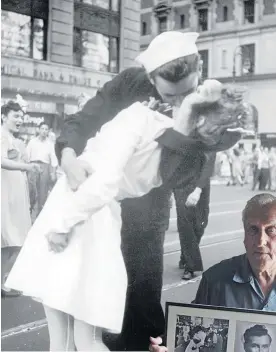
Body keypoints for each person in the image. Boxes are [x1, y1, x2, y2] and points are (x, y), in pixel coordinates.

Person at [6, 77, 249, 351]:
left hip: (80, 210)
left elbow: (104, 180)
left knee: (73, 340)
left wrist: (64, 223)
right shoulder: (178, 154)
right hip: (98, 216)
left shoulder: (142, 119)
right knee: (79, 338)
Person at [54, 31, 247, 351]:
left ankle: (144, 340)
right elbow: (87, 117)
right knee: (94, 277)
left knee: (143, 276)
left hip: (152, 194)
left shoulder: (204, 100)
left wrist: (206, 130)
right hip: (108, 189)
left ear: (198, 71)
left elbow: (194, 161)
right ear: (150, 77)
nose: (177, 102)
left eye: (185, 93)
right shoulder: (129, 82)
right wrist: (68, 153)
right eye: (170, 95)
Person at [150, 193, 276, 352]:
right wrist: (166, 343)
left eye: (271, 230)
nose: (260, 241)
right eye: (253, 230)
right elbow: (185, 327)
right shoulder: (215, 280)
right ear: (244, 236)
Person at [1, 101, 39, 294]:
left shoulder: (11, 138)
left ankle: (3, 280)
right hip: (5, 193)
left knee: (12, 239)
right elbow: (1, 161)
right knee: (9, 237)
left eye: (21, 117)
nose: (19, 120)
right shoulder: (2, 136)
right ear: (3, 117)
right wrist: (26, 167)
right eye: (15, 116)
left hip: (13, 193)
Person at [175, 155, 215, 279]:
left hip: (201, 185)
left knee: (200, 224)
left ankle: (185, 255)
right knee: (185, 223)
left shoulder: (210, 137)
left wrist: (197, 190)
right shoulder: (180, 138)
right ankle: (190, 266)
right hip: (181, 184)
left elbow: (208, 165)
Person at [26, 122, 58, 218]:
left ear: (48, 131)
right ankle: (29, 212)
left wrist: (53, 172)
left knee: (43, 192)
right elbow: (27, 156)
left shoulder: (50, 144)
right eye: (42, 129)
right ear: (38, 129)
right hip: (33, 166)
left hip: (45, 167)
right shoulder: (32, 142)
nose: (44, 131)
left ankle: (39, 216)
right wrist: (27, 168)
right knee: (31, 190)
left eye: (46, 129)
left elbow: (53, 158)